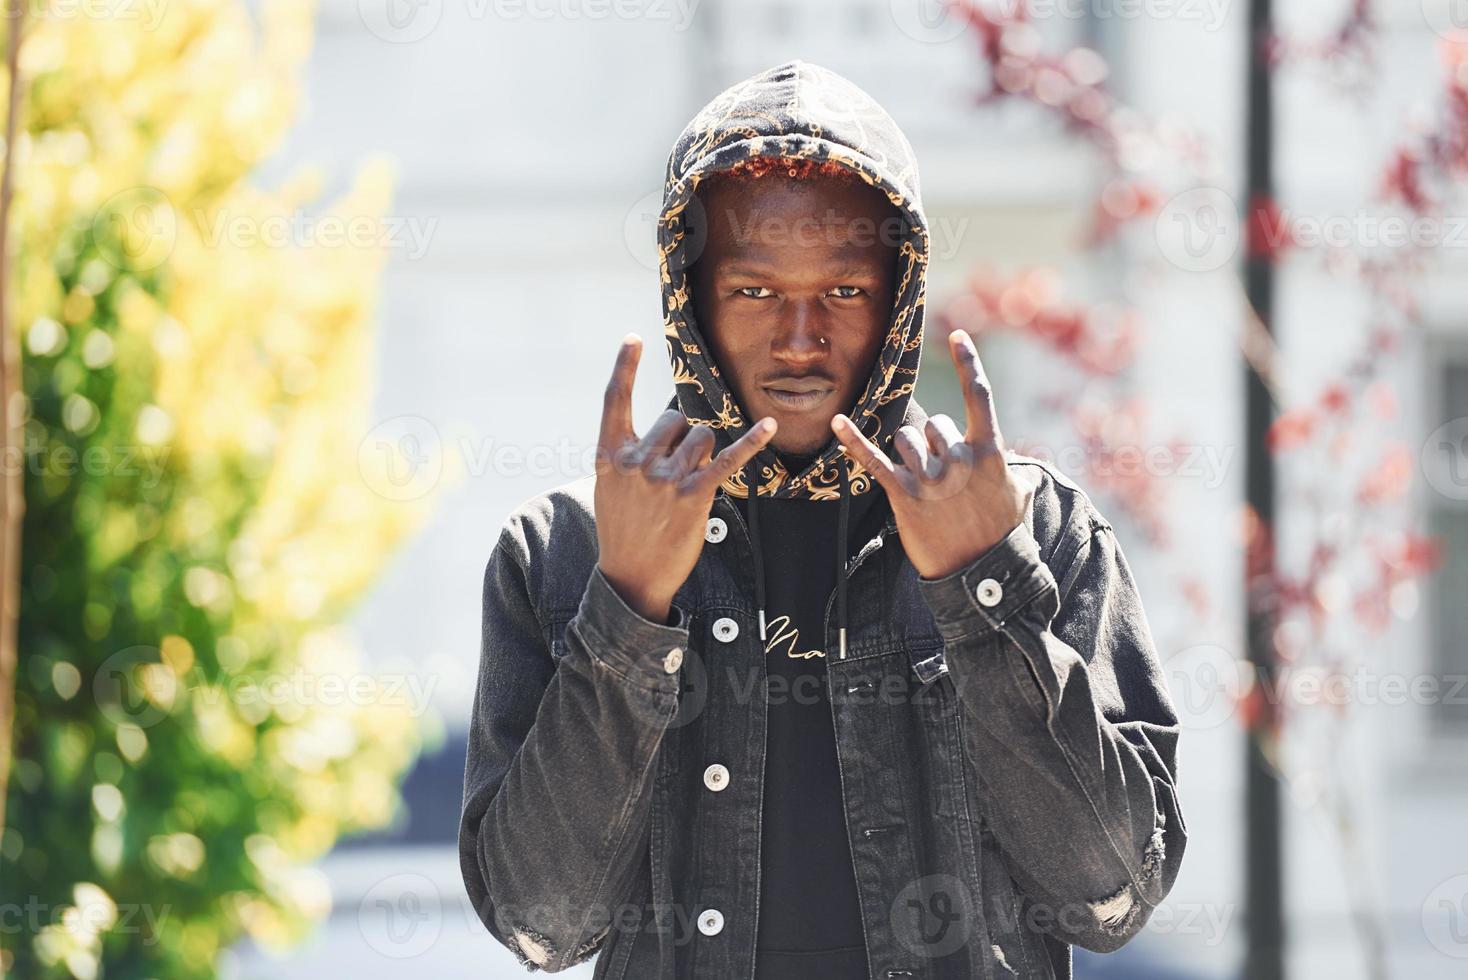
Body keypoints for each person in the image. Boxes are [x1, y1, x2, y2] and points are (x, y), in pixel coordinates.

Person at [459, 60, 1186, 980]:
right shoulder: (564, 550)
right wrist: (629, 608)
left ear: (900, 296)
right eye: (755, 291)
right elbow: (541, 926)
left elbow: (1110, 895)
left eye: (843, 291)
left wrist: (981, 587)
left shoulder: (1034, 527)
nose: (800, 338)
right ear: (691, 298)